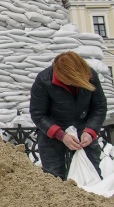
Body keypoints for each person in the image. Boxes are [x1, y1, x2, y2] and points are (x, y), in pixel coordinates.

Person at [29, 51, 107, 181]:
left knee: (92, 172)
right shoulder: (44, 80)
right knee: (53, 177)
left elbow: (99, 106)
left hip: (83, 128)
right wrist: (61, 135)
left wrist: (90, 131)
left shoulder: (90, 75)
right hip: (52, 132)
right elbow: (38, 114)